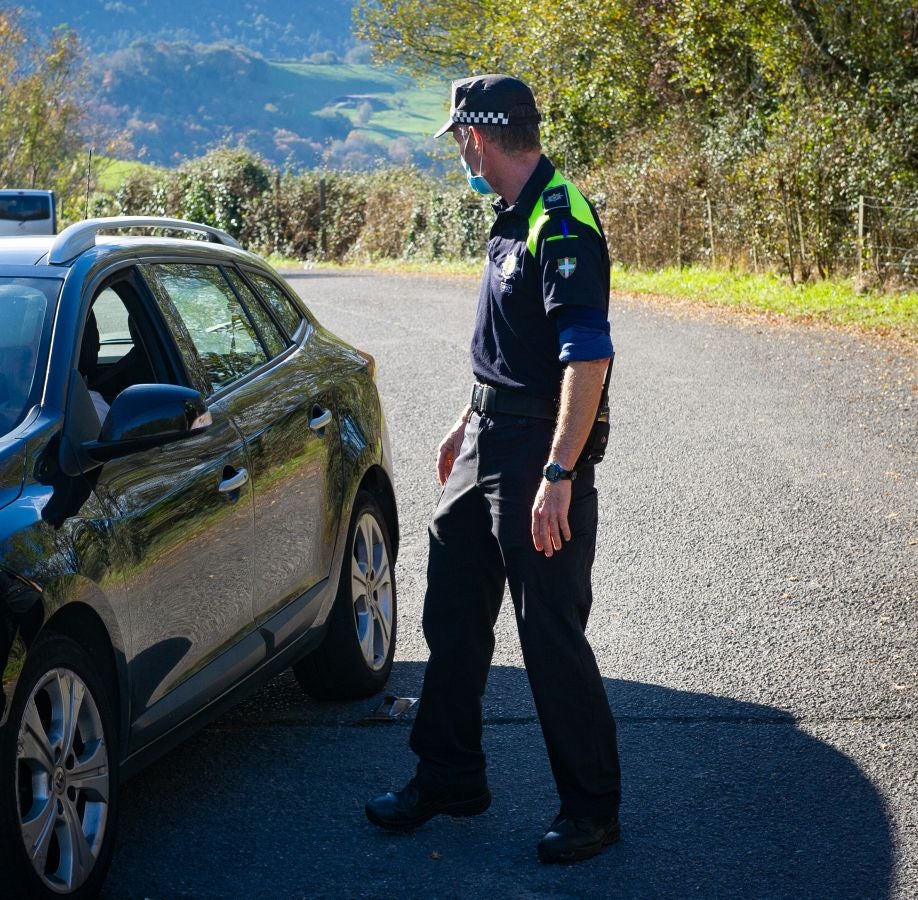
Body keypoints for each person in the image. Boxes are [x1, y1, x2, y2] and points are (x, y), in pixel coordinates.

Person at [365, 75, 621, 864]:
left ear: (475, 136)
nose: (459, 156)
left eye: (458, 141)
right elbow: (510, 347)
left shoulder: (560, 219)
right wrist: (465, 417)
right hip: (484, 437)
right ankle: (449, 777)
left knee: (548, 632)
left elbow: (587, 357)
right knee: (451, 615)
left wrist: (558, 473)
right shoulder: (510, 214)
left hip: (536, 452)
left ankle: (591, 808)